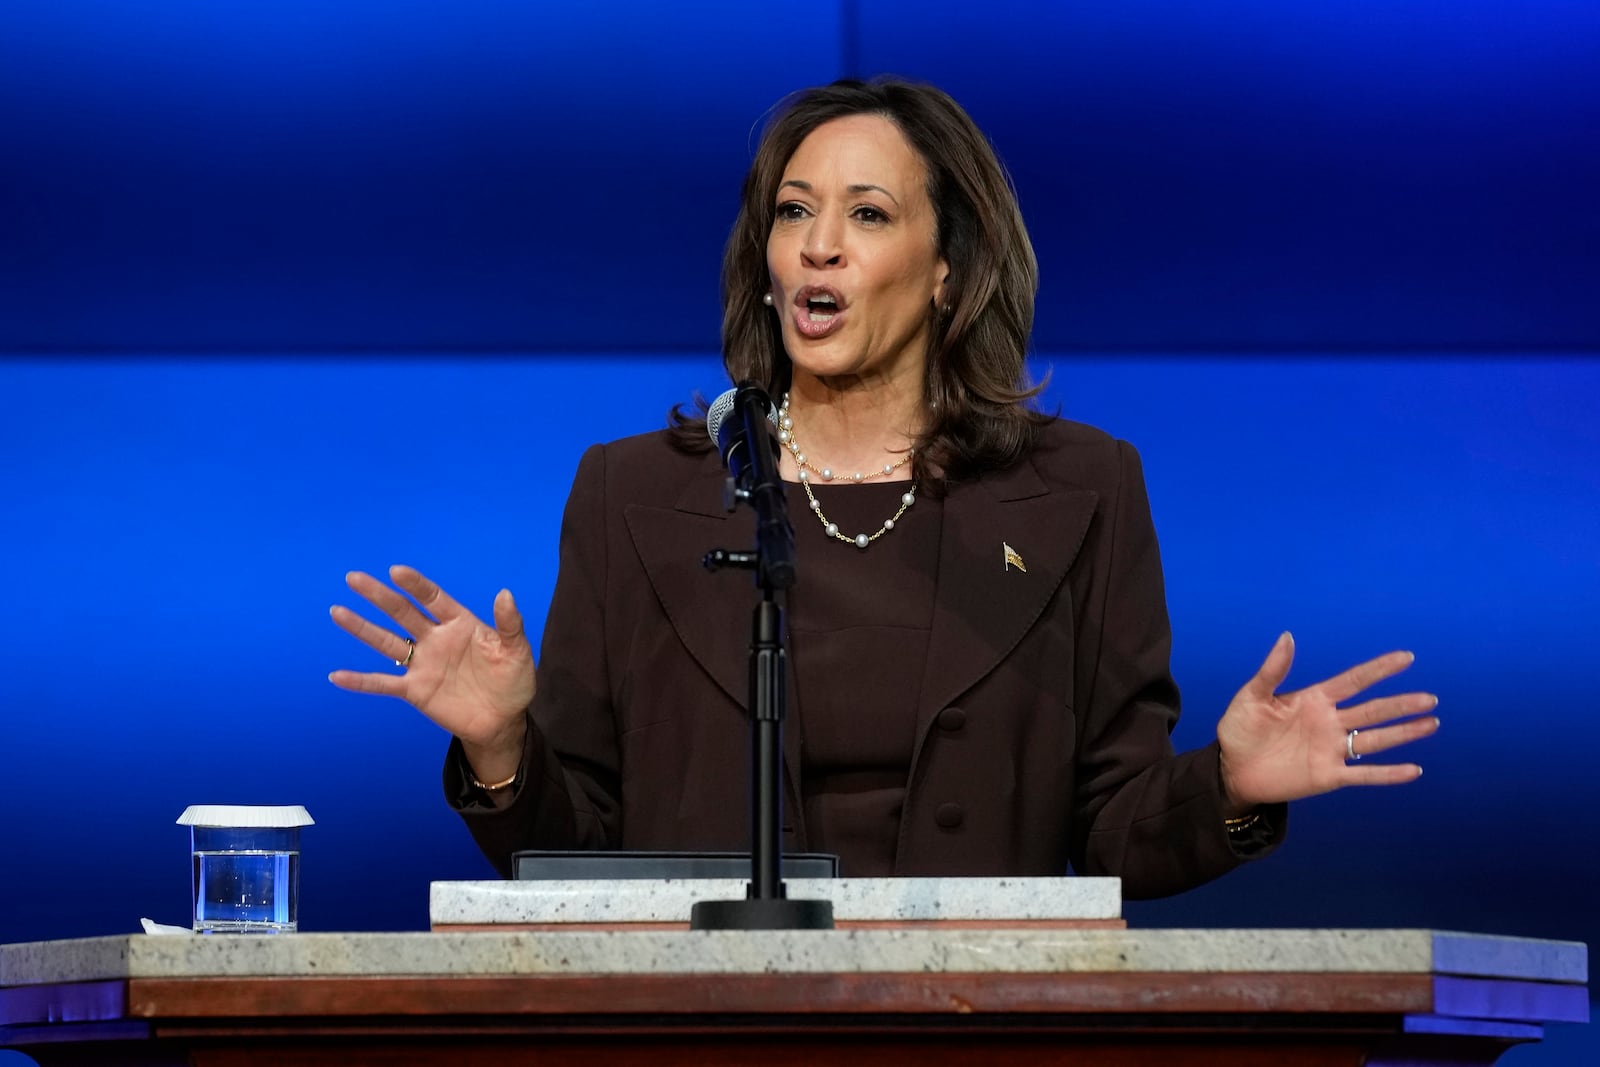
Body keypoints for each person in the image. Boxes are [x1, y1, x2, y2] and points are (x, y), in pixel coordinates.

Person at [329, 79, 1438, 897]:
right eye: (792, 213)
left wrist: (1233, 787)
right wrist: (500, 749)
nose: (818, 249)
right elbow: (579, 861)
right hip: (699, 1026)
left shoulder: (1080, 489)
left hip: (977, 1023)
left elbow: (1112, 836)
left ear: (948, 267)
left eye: (865, 215)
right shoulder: (634, 495)